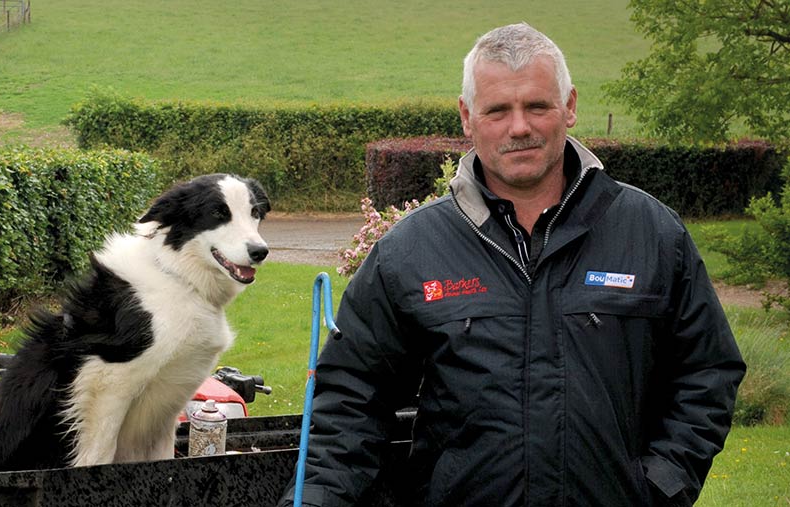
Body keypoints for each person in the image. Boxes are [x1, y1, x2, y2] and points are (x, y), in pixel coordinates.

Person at [280, 23, 745, 507]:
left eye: (537, 106)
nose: (519, 127)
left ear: (569, 106)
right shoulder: (412, 250)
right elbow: (350, 400)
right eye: (498, 110)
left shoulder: (650, 233)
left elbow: (707, 373)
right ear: (467, 117)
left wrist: (659, 487)